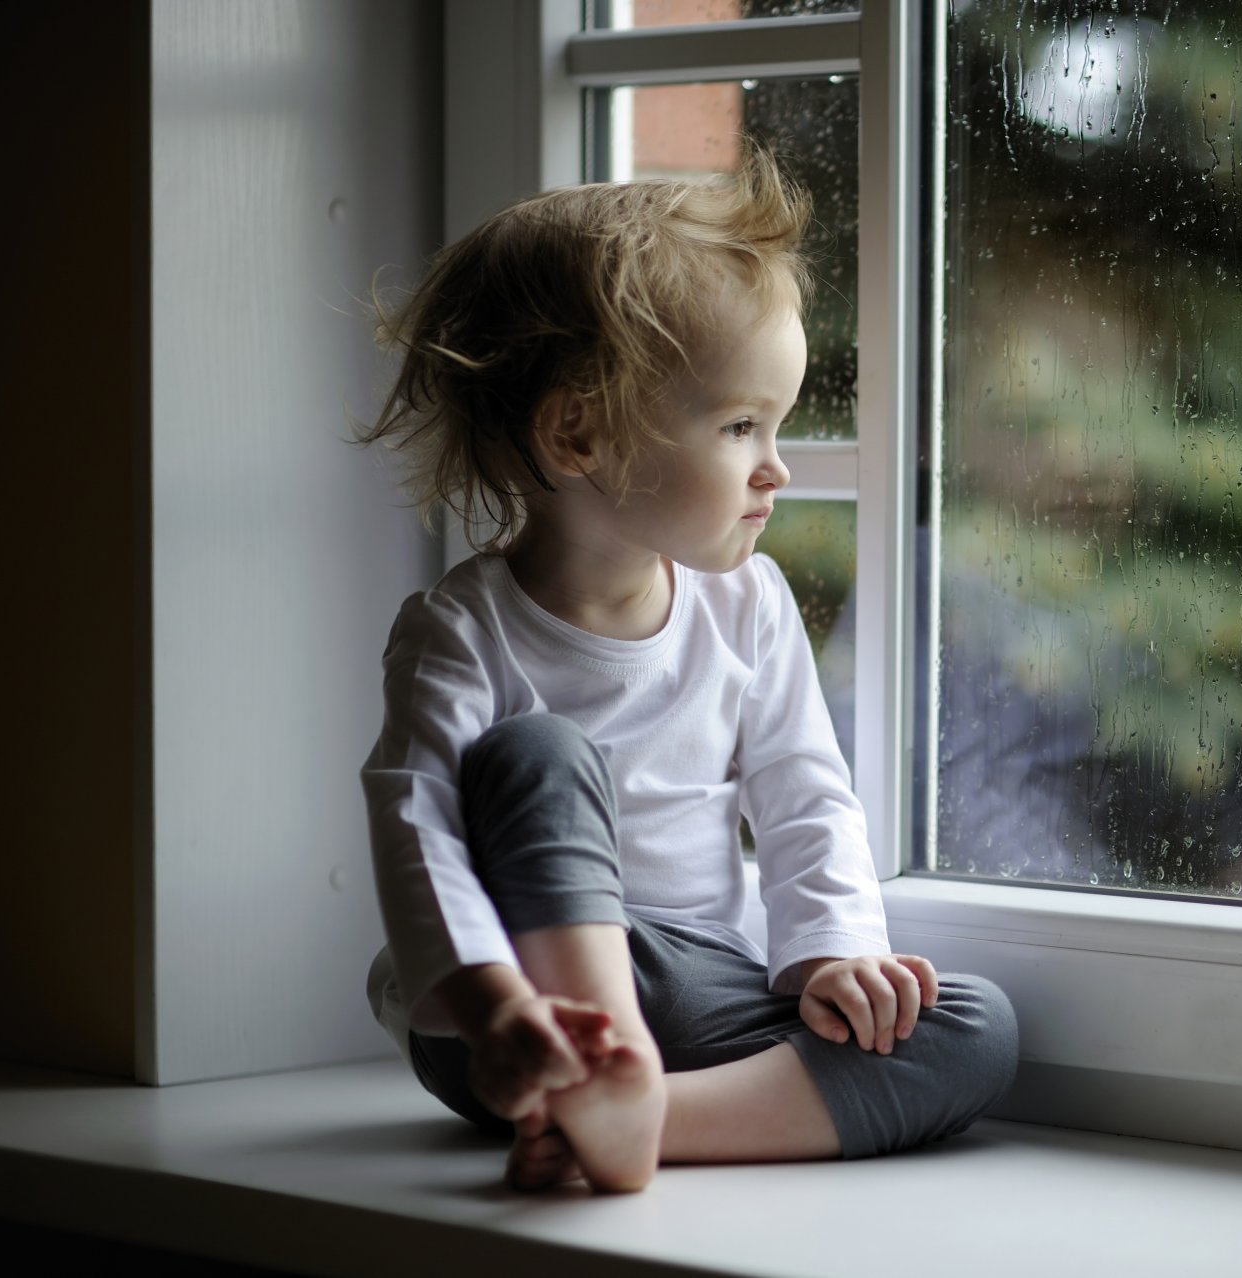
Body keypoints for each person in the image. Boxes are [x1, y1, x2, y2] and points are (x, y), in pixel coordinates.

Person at [355, 150, 1018, 1194]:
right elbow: (416, 829)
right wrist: (496, 1011)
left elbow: (806, 794)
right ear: (579, 433)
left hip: (696, 986)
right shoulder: (460, 630)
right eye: (740, 426)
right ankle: (587, 1073)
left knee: (972, 1027)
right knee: (537, 752)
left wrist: (831, 956)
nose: (777, 467)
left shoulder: (747, 606)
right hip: (514, 1006)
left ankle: (637, 1117)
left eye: (780, 426)